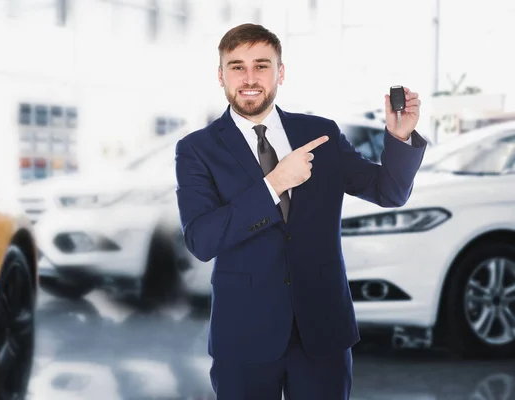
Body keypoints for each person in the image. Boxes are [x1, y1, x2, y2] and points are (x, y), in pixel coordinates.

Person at [174, 23, 427, 399]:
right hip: (244, 335)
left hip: (323, 329)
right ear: (221, 75)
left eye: (261, 65)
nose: (249, 77)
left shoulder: (320, 134)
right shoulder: (196, 149)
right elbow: (202, 239)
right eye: (237, 66)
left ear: (280, 72)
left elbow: (388, 192)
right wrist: (274, 184)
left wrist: (398, 137)